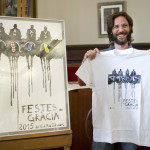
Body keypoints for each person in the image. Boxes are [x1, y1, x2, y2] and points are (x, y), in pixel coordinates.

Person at [76, 12, 138, 150]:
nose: (121, 29)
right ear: (111, 30)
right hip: (105, 123)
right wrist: (86, 61)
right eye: (116, 26)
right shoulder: (99, 56)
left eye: (124, 25)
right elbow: (81, 82)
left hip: (131, 124)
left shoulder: (141, 57)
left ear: (130, 28)